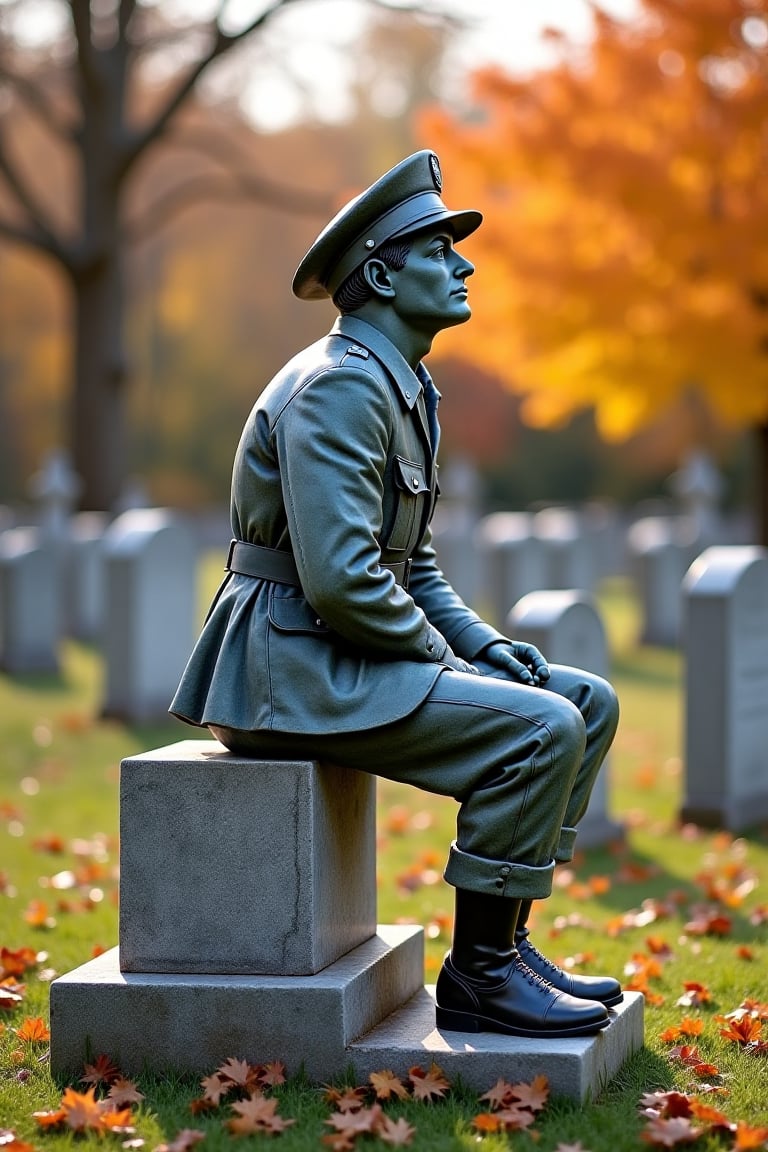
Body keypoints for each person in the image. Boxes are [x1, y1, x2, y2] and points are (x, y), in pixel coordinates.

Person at [170, 149, 621, 1039]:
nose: (464, 266)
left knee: (584, 701)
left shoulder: (400, 384)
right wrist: (451, 664)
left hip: (337, 646)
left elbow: (410, 567)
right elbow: (343, 582)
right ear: (380, 273)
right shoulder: (341, 387)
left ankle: (507, 942)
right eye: (438, 250)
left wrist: (487, 649)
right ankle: (482, 978)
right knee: (541, 726)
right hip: (289, 665)